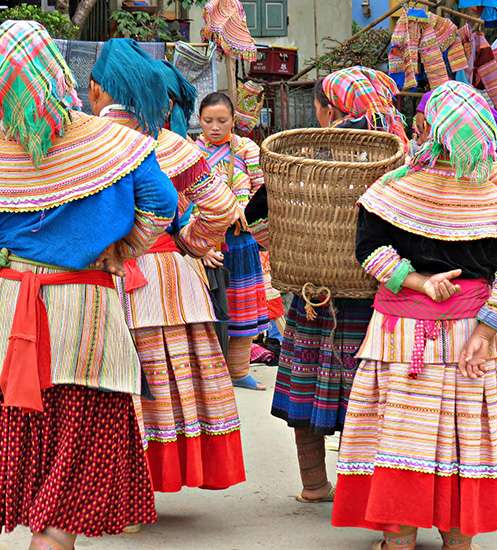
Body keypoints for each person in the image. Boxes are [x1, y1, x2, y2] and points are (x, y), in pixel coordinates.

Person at [0, 21, 178, 548]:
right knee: (80, 435)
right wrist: (122, 248)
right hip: (85, 313)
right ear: (60, 77)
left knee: (20, 436)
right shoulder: (117, 143)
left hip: (4, 308)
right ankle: (54, 537)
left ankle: (43, 535)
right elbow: (164, 206)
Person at [332, 80, 497, 549]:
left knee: (403, 433)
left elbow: (369, 251)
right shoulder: (493, 195)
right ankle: (457, 541)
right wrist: (485, 332)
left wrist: (419, 282)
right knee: (466, 439)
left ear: (426, 128)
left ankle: (398, 539)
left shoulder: (394, 187)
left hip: (400, 336)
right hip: (471, 337)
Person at [89, 38, 245, 493]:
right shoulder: (172, 145)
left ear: (98, 88)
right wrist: (190, 242)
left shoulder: (81, 138)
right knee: (165, 381)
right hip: (166, 280)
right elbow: (220, 208)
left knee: (102, 380)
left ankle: (110, 488)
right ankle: (152, 482)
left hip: (95, 277)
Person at [265, 66, 408, 504]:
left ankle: (314, 485)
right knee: (370, 396)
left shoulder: (315, 152)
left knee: (306, 382)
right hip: (375, 291)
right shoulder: (402, 152)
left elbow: (262, 208)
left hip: (315, 289)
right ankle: (362, 491)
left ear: (329, 109)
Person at [417, 92, 497, 540]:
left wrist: (491, 221)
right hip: (425, 313)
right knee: (428, 424)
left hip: (493, 309)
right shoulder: (416, 172)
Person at [196, 92, 269, 391]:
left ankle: (238, 371)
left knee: (243, 307)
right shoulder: (190, 151)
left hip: (241, 241)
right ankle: (210, 376)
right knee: (209, 310)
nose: (215, 127)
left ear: (233, 121)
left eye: (222, 121)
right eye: (208, 120)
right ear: (199, 120)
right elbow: (184, 196)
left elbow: (262, 185)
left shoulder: (246, 149)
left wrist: (243, 212)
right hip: (204, 242)